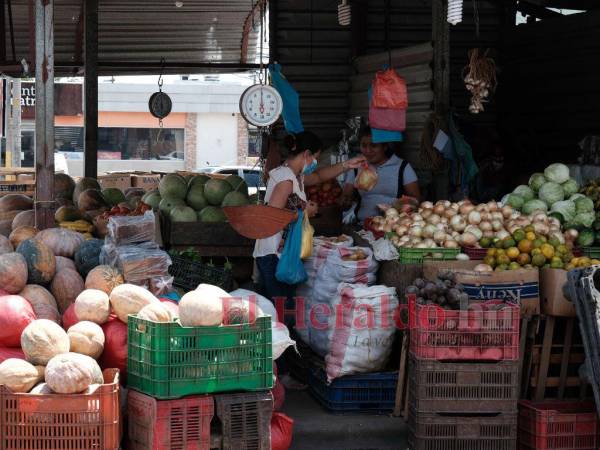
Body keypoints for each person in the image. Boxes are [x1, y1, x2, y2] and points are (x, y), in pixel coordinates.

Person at [253, 131, 366, 323]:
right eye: (315, 157)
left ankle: (283, 347)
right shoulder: (286, 180)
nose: (315, 161)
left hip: (279, 253)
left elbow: (320, 176)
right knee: (281, 311)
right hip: (273, 254)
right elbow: (272, 216)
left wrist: (347, 165)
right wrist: (305, 211)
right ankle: (283, 349)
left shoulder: (295, 175)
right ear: (306, 154)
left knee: (281, 307)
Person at [342, 126, 421, 222]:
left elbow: (416, 201)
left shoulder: (402, 167)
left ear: (384, 147)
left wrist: (399, 206)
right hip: (362, 225)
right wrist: (346, 200)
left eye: (373, 145)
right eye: (363, 145)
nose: (368, 150)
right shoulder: (356, 166)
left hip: (393, 225)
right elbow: (346, 197)